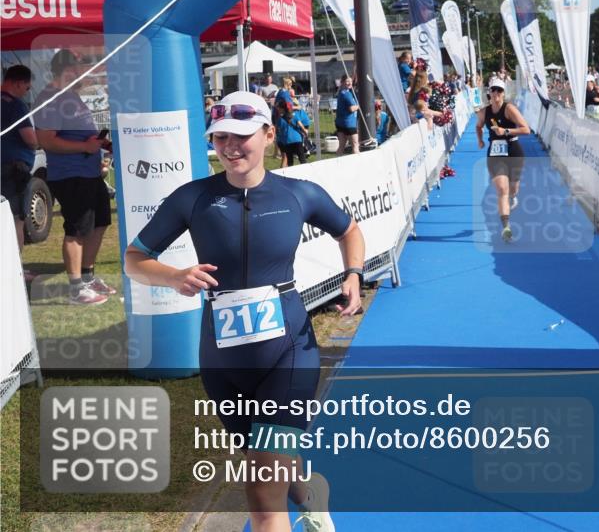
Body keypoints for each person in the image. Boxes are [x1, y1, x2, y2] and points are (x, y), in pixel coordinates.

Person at [124, 90, 364, 532]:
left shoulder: (299, 194)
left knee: (259, 488)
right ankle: (313, 491)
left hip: (288, 351)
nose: (231, 147)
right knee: (266, 463)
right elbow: (134, 258)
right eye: (220, 138)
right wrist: (173, 277)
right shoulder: (192, 198)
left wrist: (353, 273)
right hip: (222, 359)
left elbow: (349, 230)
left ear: (269, 135)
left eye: (242, 136)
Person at [34, 50, 115, 305]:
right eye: (81, 68)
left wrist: (101, 144)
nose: (85, 74)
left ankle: (88, 278)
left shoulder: (71, 97)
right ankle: (76, 288)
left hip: (89, 173)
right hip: (70, 175)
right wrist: (84, 148)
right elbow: (47, 141)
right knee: (77, 230)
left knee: (100, 223)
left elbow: (79, 135)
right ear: (68, 69)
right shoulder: (50, 98)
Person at [476, 78, 529, 243]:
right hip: (495, 153)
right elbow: (478, 126)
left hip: (513, 150)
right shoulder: (484, 112)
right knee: (501, 190)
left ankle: (513, 197)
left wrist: (505, 131)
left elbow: (526, 129)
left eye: (499, 90)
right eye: (494, 90)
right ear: (489, 93)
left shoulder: (509, 109)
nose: (496, 93)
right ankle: (506, 227)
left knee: (513, 189)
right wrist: (480, 140)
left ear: (503, 93)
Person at [1, 65, 39, 265]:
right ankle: (15, 270)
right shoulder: (15, 105)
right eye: (27, 87)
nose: (28, 91)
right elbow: (30, 139)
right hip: (11, 171)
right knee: (15, 219)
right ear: (17, 83)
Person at [275, 98, 311, 167]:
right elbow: (301, 125)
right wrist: (305, 131)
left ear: (282, 109)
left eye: (279, 108)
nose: (278, 110)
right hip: (297, 140)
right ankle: (307, 173)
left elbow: (278, 131)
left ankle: (291, 175)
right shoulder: (294, 115)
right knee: (302, 159)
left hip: (287, 142)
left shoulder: (280, 120)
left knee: (290, 161)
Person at [335, 75, 360, 155]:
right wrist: (359, 106)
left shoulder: (341, 92)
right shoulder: (347, 94)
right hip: (349, 124)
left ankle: (337, 164)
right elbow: (351, 109)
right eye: (347, 81)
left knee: (341, 146)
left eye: (351, 81)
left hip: (340, 123)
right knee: (355, 146)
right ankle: (358, 164)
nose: (350, 83)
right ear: (342, 82)